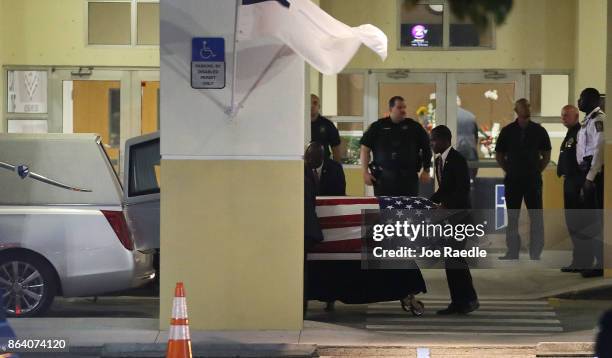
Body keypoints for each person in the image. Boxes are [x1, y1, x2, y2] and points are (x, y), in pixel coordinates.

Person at [429, 125, 479, 315]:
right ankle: (459, 301)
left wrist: (445, 205)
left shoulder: (457, 160)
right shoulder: (440, 160)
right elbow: (444, 189)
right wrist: (429, 202)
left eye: (434, 140)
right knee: (452, 259)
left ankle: (468, 299)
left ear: (445, 141)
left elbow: (462, 190)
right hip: (450, 218)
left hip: (460, 217)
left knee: (455, 259)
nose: (432, 143)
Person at [495, 99, 551, 260]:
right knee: (512, 216)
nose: (526, 108)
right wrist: (509, 169)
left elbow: (546, 155)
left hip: (532, 179)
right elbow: (499, 155)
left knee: (536, 216)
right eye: (523, 106)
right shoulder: (508, 131)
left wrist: (536, 170)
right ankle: (512, 251)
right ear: (516, 110)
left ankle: (535, 252)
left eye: (528, 105)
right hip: (513, 180)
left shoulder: (539, 131)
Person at [360, 96, 432, 196]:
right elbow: (365, 149)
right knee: (385, 210)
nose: (403, 110)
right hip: (383, 178)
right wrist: (365, 172)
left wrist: (426, 170)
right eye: (399, 107)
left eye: (404, 107)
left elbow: (426, 148)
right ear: (390, 109)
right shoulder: (378, 126)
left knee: (408, 210)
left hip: (408, 179)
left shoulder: (414, 127)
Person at [575, 88, 605, 278]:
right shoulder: (588, 121)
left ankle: (601, 263)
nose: (579, 102)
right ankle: (594, 260)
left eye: (582, 98)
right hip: (586, 172)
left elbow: (599, 150)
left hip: (594, 175)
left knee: (597, 221)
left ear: (593, 100)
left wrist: (590, 177)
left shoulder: (599, 120)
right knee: (589, 220)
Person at [557, 105, 591, 273]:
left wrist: (583, 184)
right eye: (562, 115)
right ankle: (578, 260)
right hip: (569, 182)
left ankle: (583, 260)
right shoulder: (571, 133)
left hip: (577, 183)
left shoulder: (581, 132)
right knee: (572, 224)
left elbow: (584, 159)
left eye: (566, 115)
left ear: (576, 115)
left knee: (579, 224)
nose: (563, 118)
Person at [304, 146, 324, 315]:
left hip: (304, 229)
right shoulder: (307, 175)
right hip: (308, 229)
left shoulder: (303, 174)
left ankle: (301, 307)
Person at [311, 94, 342, 161]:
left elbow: (336, 148)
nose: (312, 106)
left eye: (315, 103)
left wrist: (336, 166)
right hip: (303, 165)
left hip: (324, 164)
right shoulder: (300, 125)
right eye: (309, 103)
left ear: (319, 106)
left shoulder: (328, 124)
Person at [456, 97, 479, 180]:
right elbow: (475, 135)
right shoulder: (471, 116)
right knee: (468, 179)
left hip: (454, 150)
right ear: (459, 103)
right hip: (470, 151)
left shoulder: (447, 115)